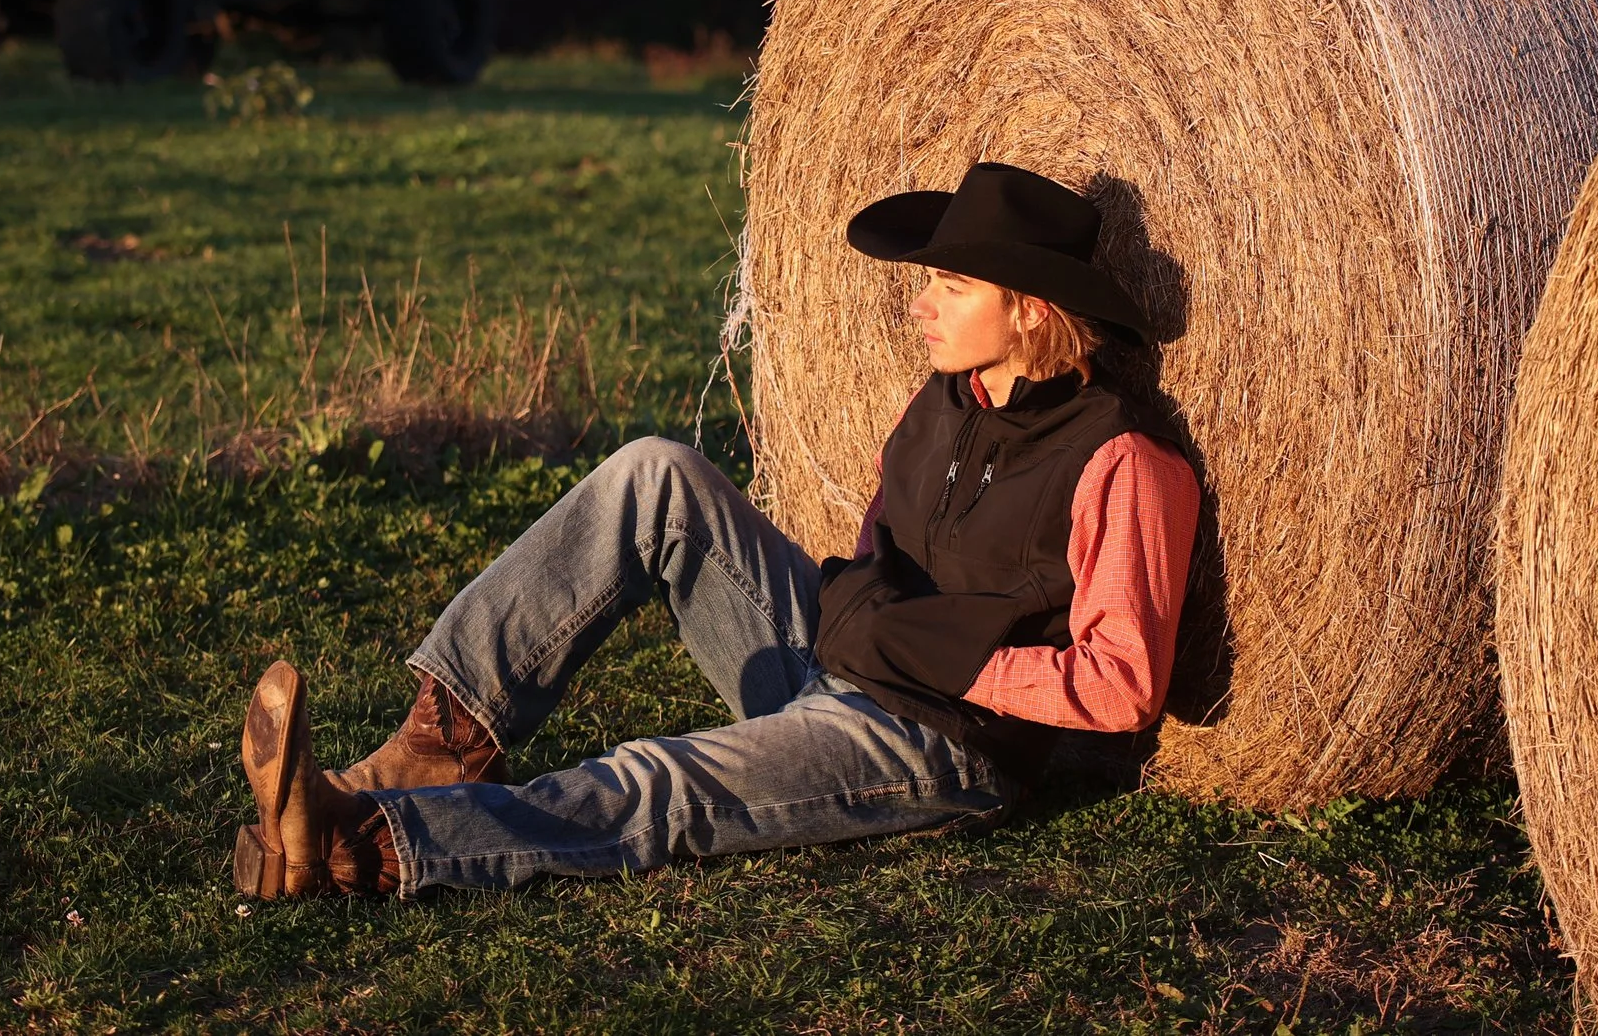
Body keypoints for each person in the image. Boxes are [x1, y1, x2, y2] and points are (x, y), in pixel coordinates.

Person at [233, 161, 1202, 899]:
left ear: (1028, 311)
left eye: (951, 285)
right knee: (654, 469)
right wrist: (861, 613)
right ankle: (439, 737)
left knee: (659, 778)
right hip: (840, 658)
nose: (920, 302)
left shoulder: (1121, 461)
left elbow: (1122, 686)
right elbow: (879, 548)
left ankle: (366, 842)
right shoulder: (943, 403)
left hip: (940, 744)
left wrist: (934, 657)